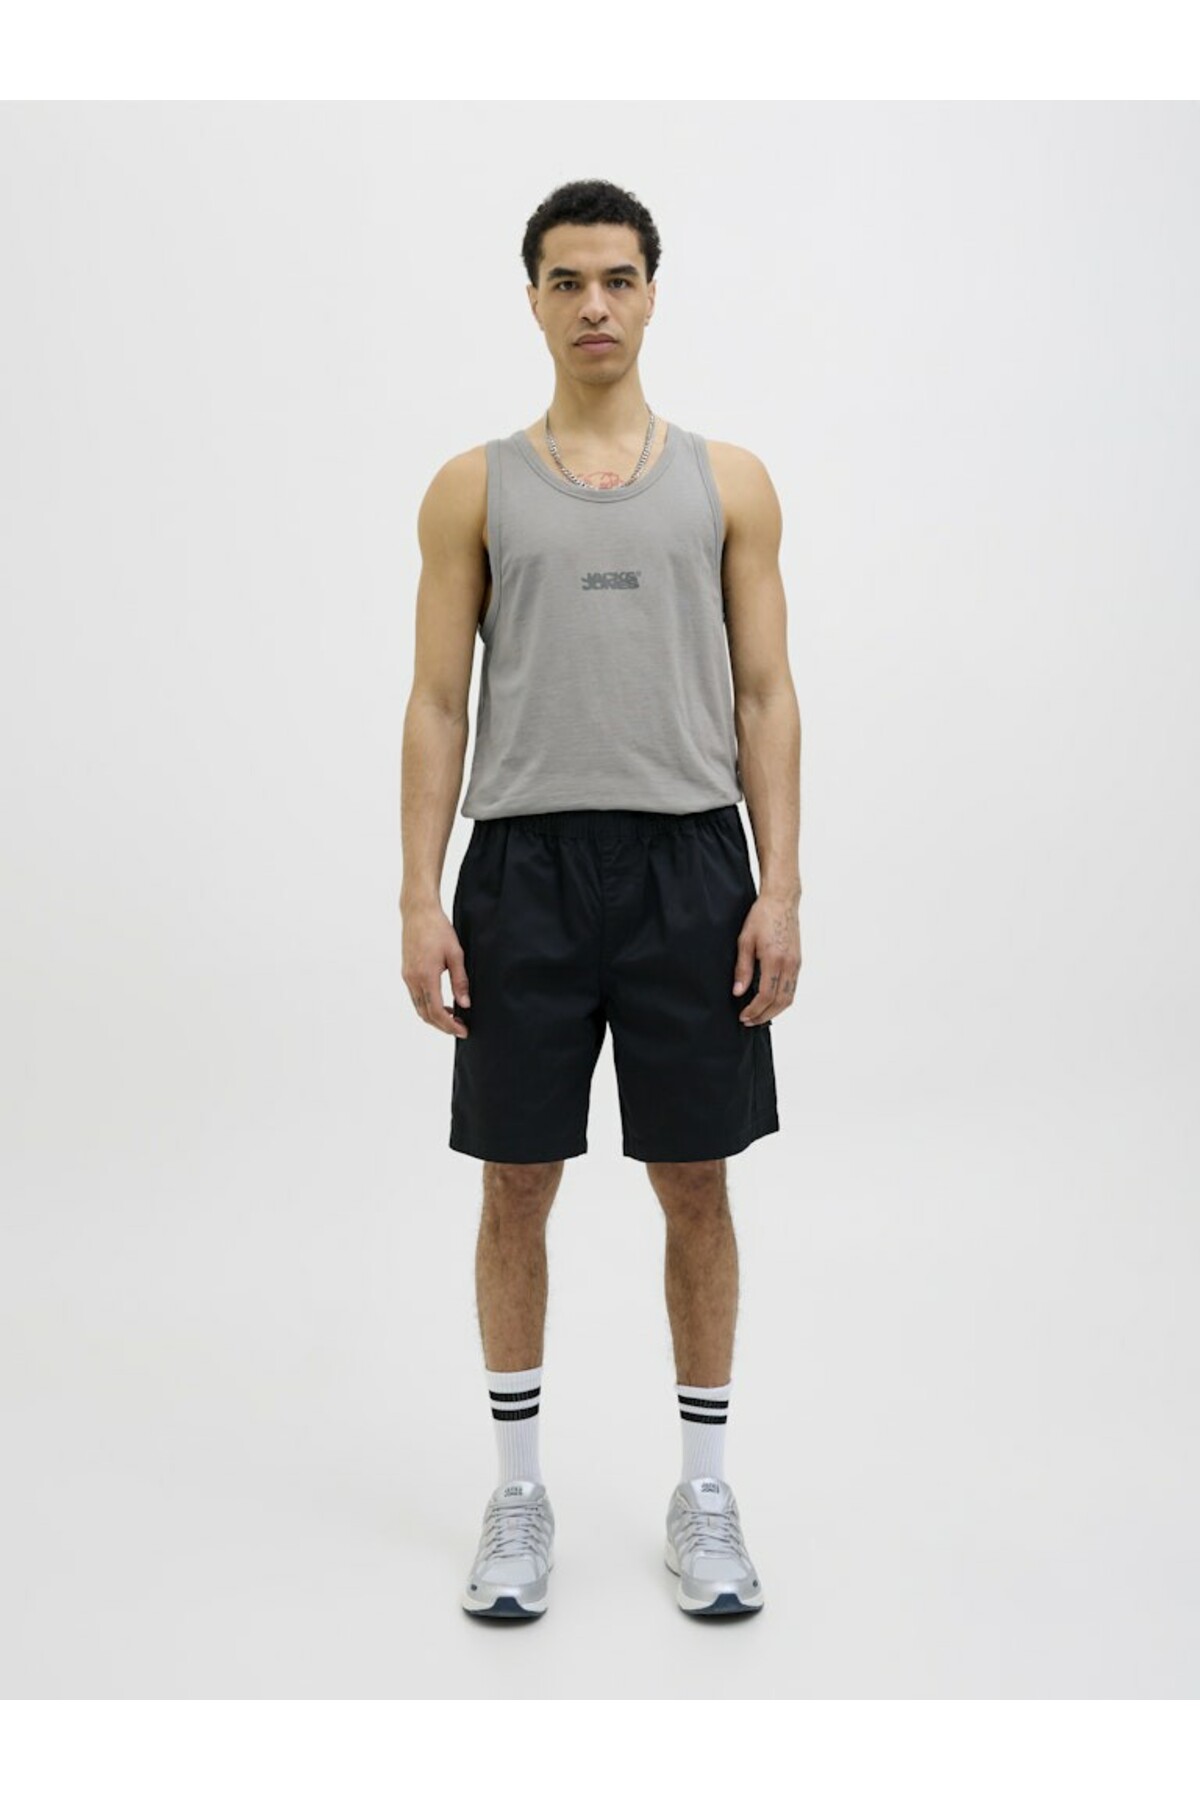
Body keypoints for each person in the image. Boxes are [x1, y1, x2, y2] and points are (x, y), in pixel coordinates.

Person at [399, 178, 802, 1620]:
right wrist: (418, 897)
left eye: (617, 279)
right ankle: (518, 1495)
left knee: (696, 1181)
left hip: (691, 866)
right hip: (523, 872)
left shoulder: (728, 482)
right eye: (566, 281)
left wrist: (781, 885)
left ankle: (706, 1495)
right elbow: (437, 703)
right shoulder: (474, 488)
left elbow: (766, 694)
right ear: (532, 298)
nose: (593, 306)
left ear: (651, 294)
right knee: (517, 1182)